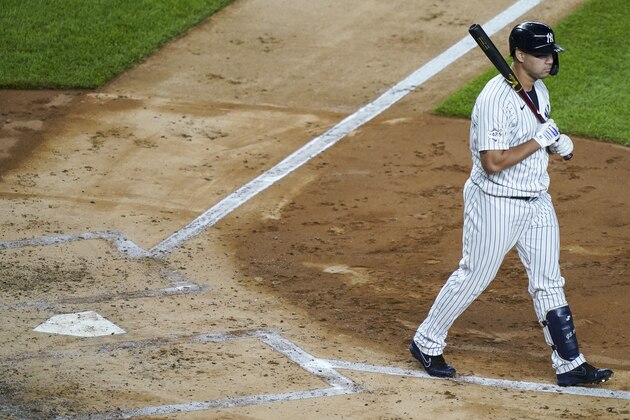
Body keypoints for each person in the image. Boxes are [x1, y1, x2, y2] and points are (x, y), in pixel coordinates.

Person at [409, 21, 613, 387]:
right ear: (520, 55)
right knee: (475, 276)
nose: (549, 59)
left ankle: (570, 363)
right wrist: (539, 140)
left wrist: (554, 141)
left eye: (552, 53)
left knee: (549, 281)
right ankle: (426, 341)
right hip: (496, 202)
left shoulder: (540, 91)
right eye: (541, 54)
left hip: (537, 201)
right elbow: (493, 162)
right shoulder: (494, 100)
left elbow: (536, 130)